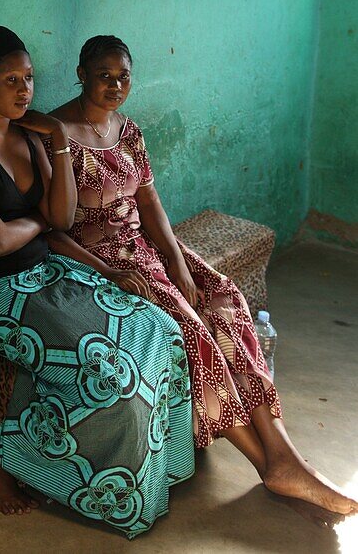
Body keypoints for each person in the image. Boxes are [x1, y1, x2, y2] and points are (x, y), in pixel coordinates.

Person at [47, 35, 358, 526]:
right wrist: (138, 269)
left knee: (226, 300)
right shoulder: (55, 132)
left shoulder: (128, 130)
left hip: (148, 244)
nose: (115, 85)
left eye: (124, 76)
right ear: (81, 73)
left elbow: (149, 204)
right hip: (105, 258)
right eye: (104, 75)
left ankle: (284, 453)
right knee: (192, 329)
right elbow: (55, 223)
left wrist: (176, 258)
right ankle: (267, 464)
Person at [0, 26, 194, 537]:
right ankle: (0, 449)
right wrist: (39, 225)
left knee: (160, 331)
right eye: (11, 79)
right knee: (112, 380)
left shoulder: (28, 132)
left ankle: (156, 474)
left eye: (28, 78)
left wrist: (56, 141)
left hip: (47, 272)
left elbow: (63, 214)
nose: (24, 90)